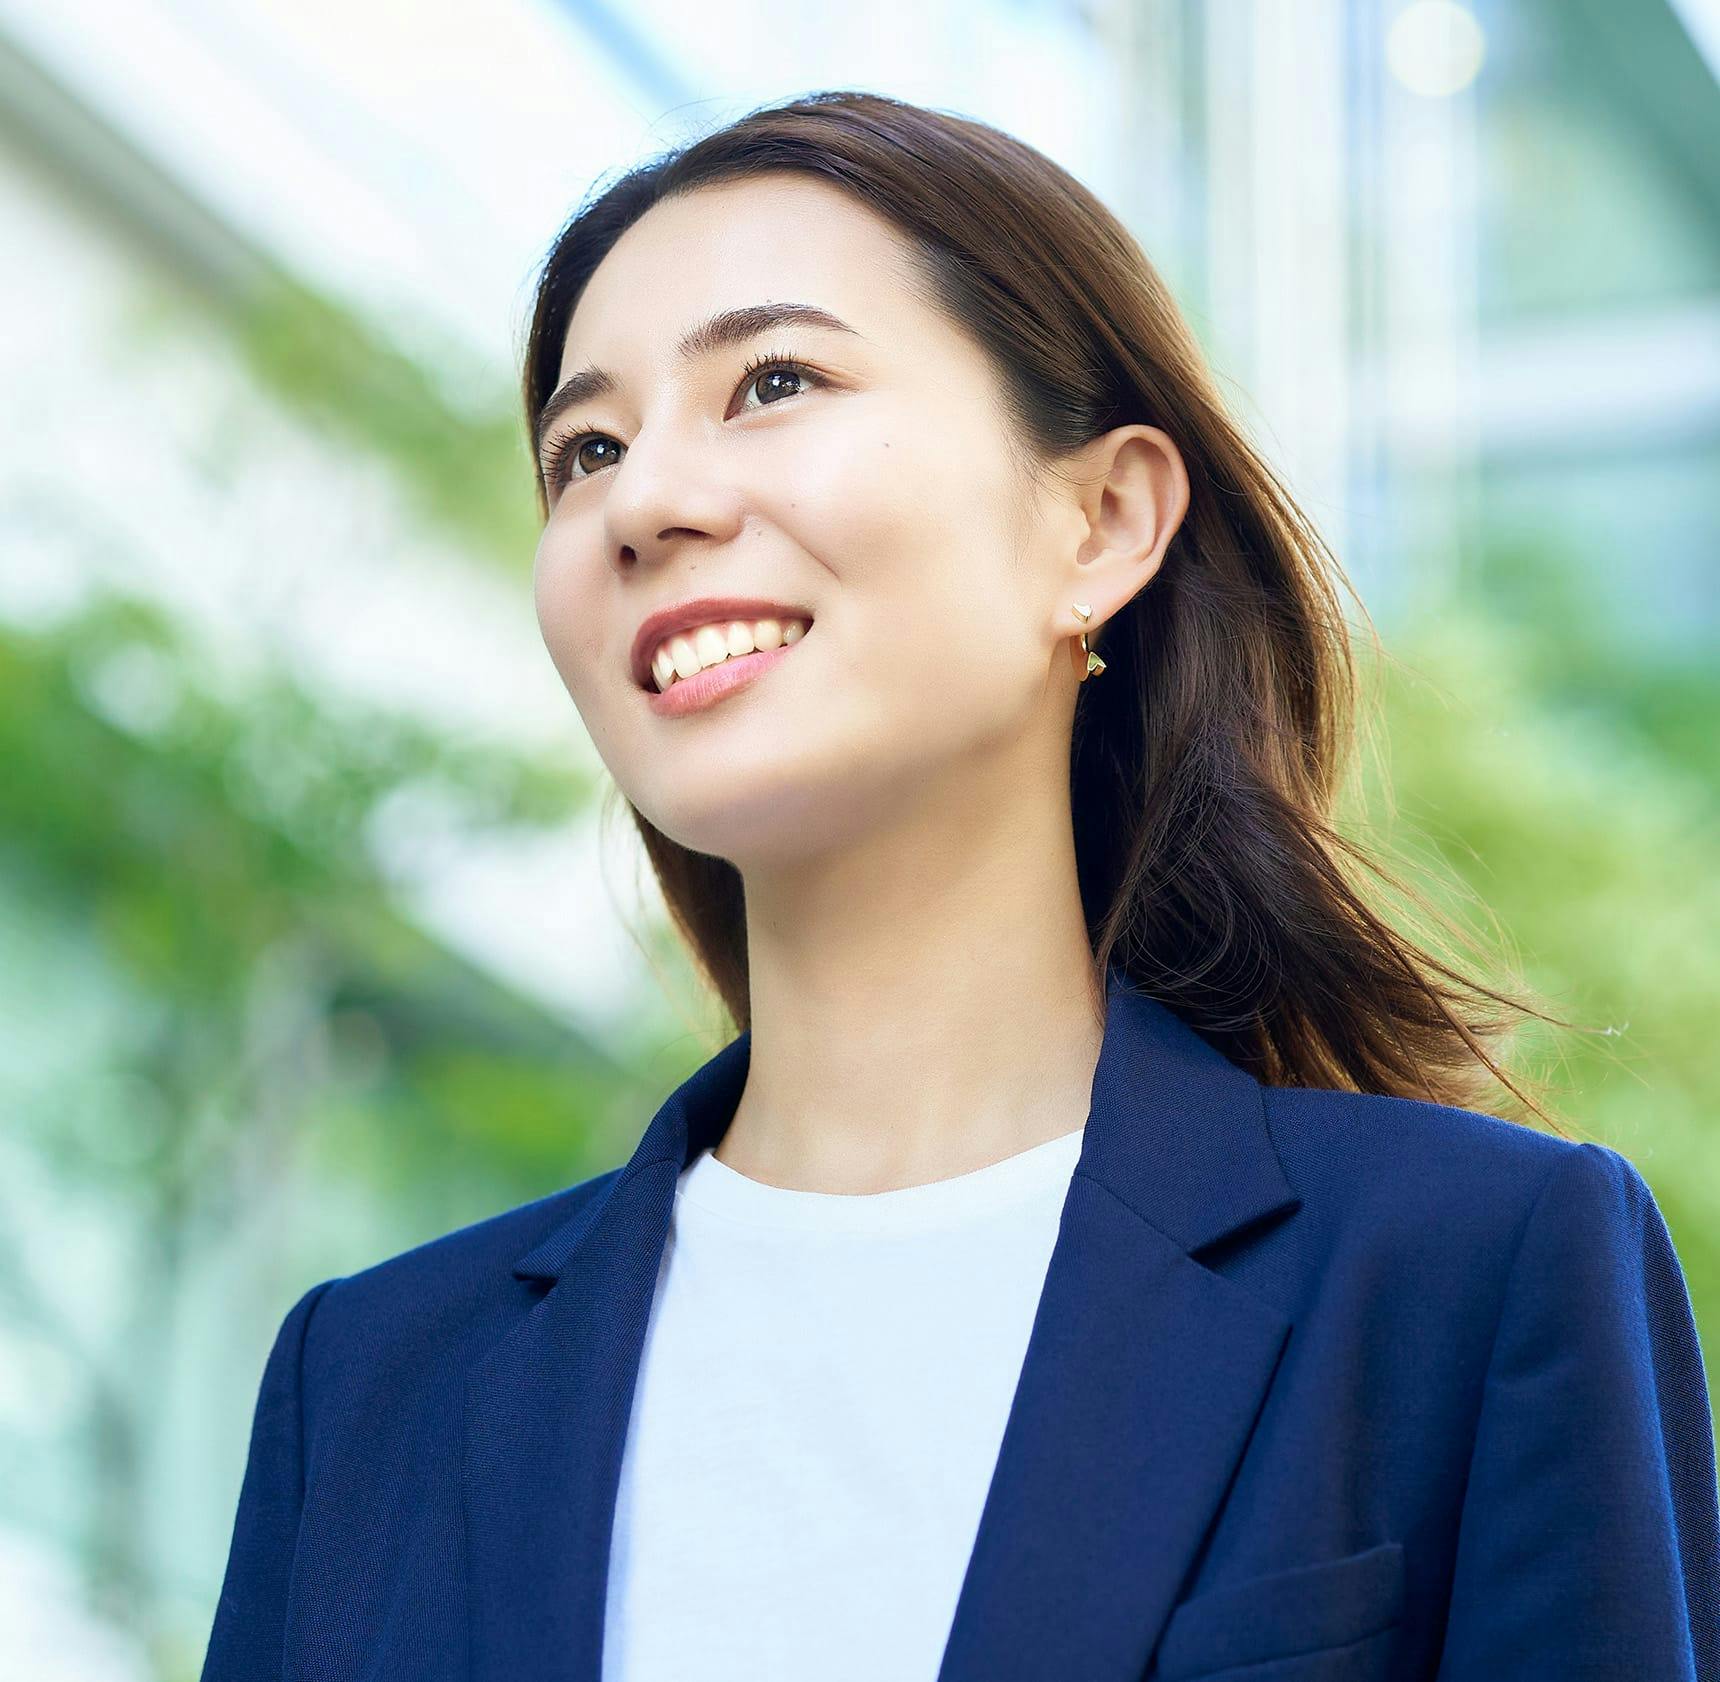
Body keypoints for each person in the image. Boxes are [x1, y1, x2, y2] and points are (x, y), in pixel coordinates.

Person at [199, 89, 1719, 1682]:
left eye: (773, 380)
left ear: (1104, 519)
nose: (643, 501)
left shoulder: (1460, 1272)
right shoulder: (372, 1386)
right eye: (586, 449)